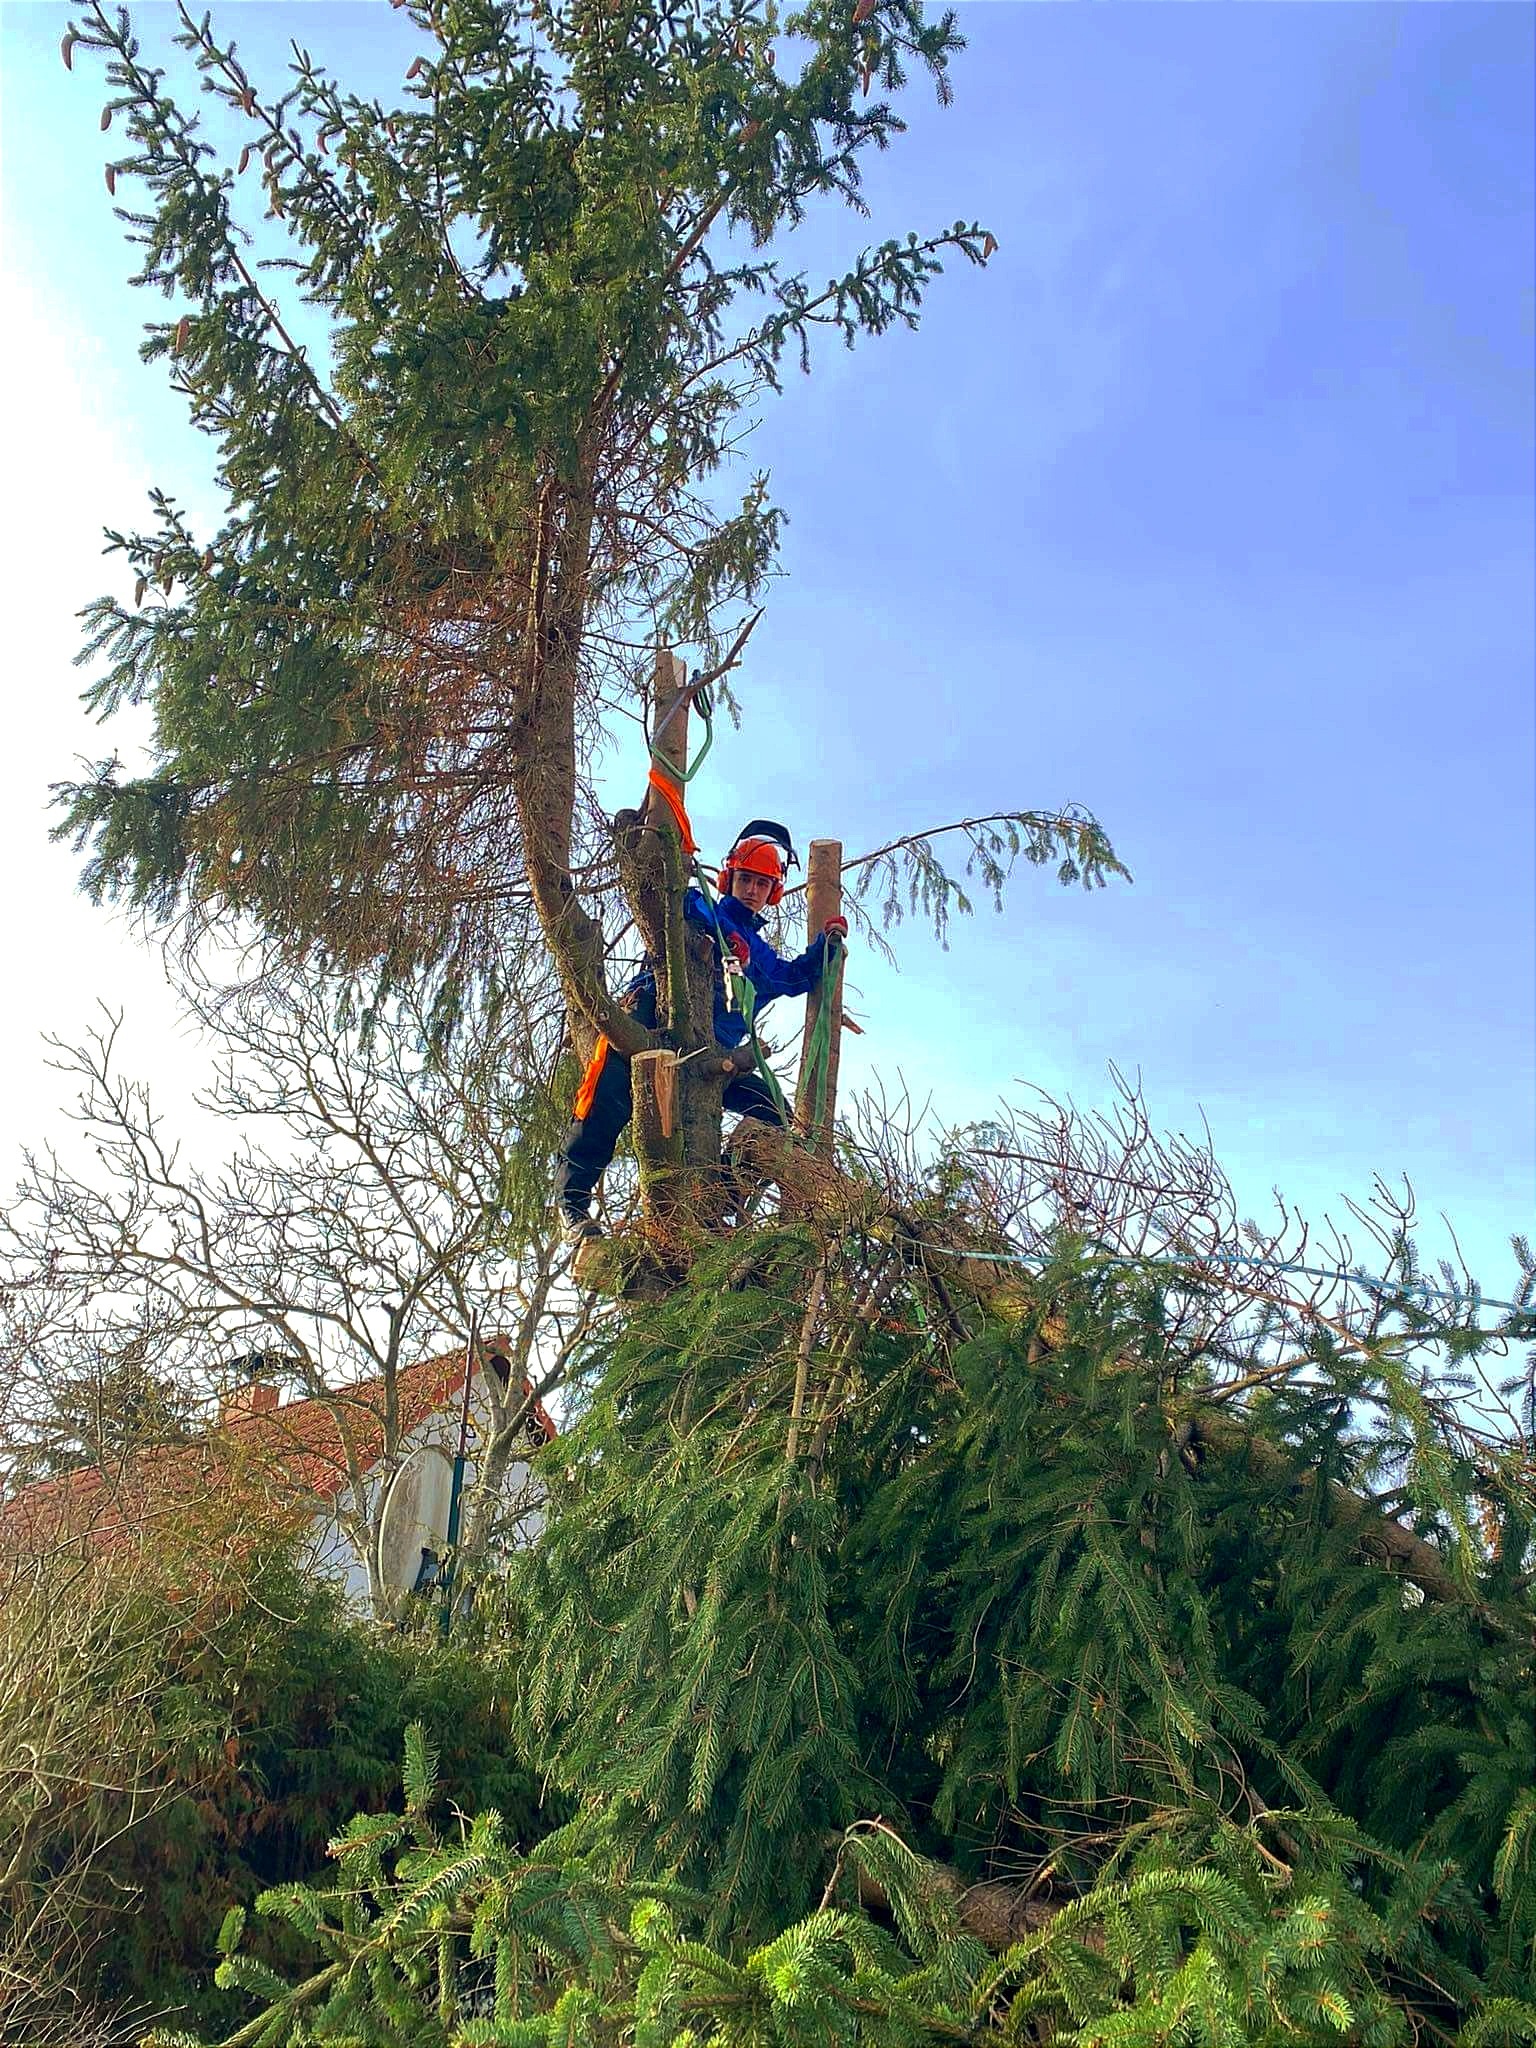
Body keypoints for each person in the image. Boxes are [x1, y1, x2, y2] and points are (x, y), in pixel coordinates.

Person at [554, 820, 849, 1240]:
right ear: (729, 878)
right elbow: (687, 905)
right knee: (607, 1097)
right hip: (651, 1024)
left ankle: (722, 1197)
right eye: (745, 879)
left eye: (762, 885)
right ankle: (572, 1204)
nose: (752, 890)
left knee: (775, 1115)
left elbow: (791, 978)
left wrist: (827, 946)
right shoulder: (702, 904)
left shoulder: (761, 955)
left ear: (773, 892)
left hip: (714, 1054)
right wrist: (725, 934)